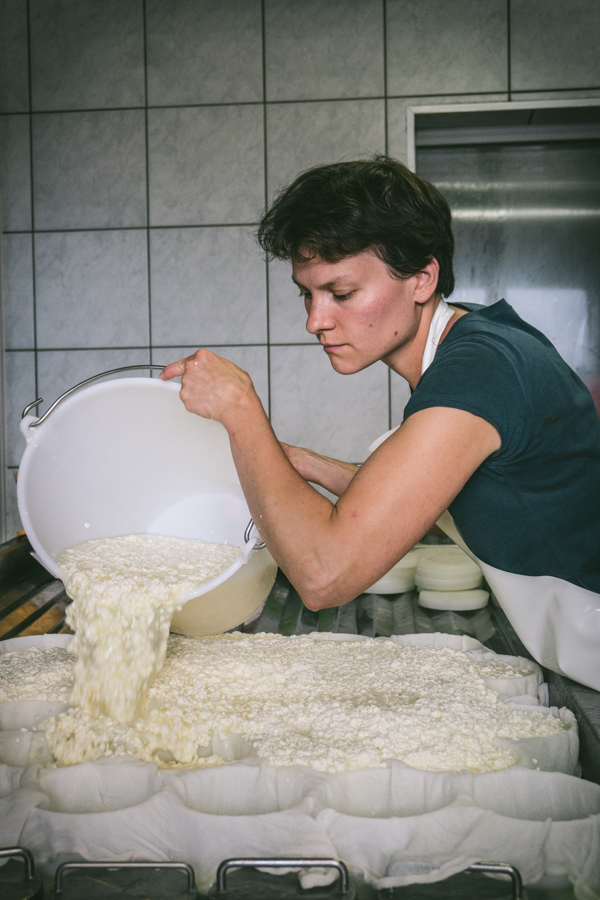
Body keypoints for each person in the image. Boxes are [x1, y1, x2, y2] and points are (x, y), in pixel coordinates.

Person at [161, 156, 600, 690]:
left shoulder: (480, 370)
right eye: (308, 293)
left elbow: (323, 576)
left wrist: (240, 409)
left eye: (341, 294)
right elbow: (438, 493)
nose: (314, 320)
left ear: (421, 279)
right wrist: (302, 464)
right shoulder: (478, 339)